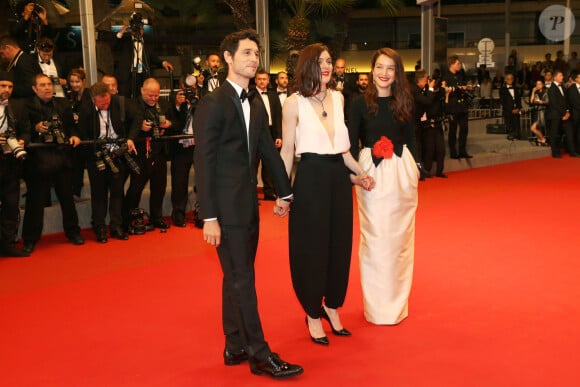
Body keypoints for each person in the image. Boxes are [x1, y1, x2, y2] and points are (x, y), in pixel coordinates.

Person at [193, 29, 303, 379]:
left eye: (256, 54)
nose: (253, 60)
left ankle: (235, 343)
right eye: (246, 53)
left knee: (236, 276)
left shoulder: (256, 101)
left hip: (248, 206)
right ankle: (259, 353)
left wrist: (285, 192)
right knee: (243, 279)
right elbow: (204, 161)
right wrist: (209, 215)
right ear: (228, 58)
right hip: (225, 210)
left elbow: (268, 150)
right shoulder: (212, 103)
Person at [280, 43, 374, 345]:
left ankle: (332, 306)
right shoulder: (293, 103)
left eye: (329, 61)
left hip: (337, 177)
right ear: (307, 64)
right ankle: (311, 311)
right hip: (310, 177)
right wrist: (283, 193)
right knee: (312, 247)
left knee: (339, 244)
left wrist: (360, 173)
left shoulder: (338, 97)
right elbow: (288, 152)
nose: (326, 66)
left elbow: (343, 149)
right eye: (320, 61)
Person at [348, 47, 419, 325]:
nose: (384, 73)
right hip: (371, 176)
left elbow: (412, 139)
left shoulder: (404, 100)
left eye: (390, 68)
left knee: (400, 240)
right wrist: (354, 174)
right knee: (376, 240)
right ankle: (377, 307)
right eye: (380, 67)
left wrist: (415, 170)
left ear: (397, 72)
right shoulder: (357, 103)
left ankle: (398, 304)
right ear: (372, 69)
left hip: (401, 173)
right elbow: (351, 142)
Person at [21, 73, 84, 255]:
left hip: (61, 158)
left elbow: (72, 127)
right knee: (35, 203)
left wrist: (74, 136)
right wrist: (36, 129)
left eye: (49, 84)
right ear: (34, 88)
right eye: (43, 85)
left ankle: (73, 232)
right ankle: (30, 240)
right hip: (38, 162)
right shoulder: (26, 106)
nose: (48, 88)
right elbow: (23, 131)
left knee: (67, 200)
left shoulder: (63, 104)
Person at [78, 81, 136, 243]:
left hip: (117, 154)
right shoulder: (86, 109)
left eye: (107, 102)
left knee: (118, 193)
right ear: (93, 100)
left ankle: (116, 226)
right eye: (101, 104)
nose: (105, 105)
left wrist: (130, 138)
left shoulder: (118, 102)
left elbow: (137, 117)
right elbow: (82, 133)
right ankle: (100, 227)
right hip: (96, 157)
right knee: (99, 194)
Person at [124, 77, 172, 231]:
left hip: (159, 153)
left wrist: (168, 124)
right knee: (135, 189)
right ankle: (127, 219)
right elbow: (123, 127)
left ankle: (156, 218)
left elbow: (176, 123)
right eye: (150, 95)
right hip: (140, 154)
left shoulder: (163, 104)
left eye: (156, 95)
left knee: (159, 188)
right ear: (142, 91)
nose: (153, 98)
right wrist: (139, 127)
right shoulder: (132, 105)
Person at [0, 70, 30, 258]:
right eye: (3, 86)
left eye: (10, 87)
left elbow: (26, 130)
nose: (7, 90)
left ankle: (8, 243)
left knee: (11, 205)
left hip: (11, 164)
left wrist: (22, 141)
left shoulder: (17, 107)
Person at [167, 78, 198, 227]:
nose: (189, 91)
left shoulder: (203, 100)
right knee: (179, 182)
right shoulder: (174, 103)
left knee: (203, 182)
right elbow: (174, 124)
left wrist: (196, 104)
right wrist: (179, 106)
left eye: (192, 88)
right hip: (181, 148)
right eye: (186, 88)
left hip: (199, 147)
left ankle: (202, 212)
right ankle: (178, 213)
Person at [113, 23, 173, 98]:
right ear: (131, 30)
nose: (138, 31)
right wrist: (122, 32)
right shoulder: (125, 40)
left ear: (143, 30)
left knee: (141, 98)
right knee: (125, 99)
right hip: (127, 76)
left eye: (140, 29)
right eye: (135, 29)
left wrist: (163, 63)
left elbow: (153, 57)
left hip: (142, 76)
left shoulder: (147, 42)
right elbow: (115, 46)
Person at [254, 69, 282, 200]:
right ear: (255, 80)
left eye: (264, 79)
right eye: (259, 79)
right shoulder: (251, 95)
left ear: (268, 80)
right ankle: (251, 193)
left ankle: (269, 191)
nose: (262, 81)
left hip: (270, 132)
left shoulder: (273, 95)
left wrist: (279, 136)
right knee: (253, 163)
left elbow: (277, 117)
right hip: (256, 133)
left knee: (269, 163)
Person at [68, 67, 91, 200]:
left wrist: (80, 117)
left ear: (83, 81)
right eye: (72, 81)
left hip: (88, 135)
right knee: (76, 165)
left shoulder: (90, 94)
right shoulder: (71, 95)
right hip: (77, 135)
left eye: (77, 81)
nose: (74, 84)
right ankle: (76, 191)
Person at [443, 55, 473, 159]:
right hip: (453, 106)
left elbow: (462, 85)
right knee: (453, 129)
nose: (459, 65)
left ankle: (462, 150)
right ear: (451, 65)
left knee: (464, 128)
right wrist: (457, 88)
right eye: (458, 64)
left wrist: (465, 88)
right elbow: (445, 90)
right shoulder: (446, 77)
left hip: (462, 105)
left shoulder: (460, 75)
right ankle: (453, 151)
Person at [548, 70, 576, 158]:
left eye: (562, 75)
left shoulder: (563, 87)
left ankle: (572, 152)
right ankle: (555, 152)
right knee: (555, 134)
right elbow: (554, 103)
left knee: (570, 133)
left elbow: (566, 101)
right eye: (560, 76)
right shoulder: (551, 89)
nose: (562, 77)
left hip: (565, 114)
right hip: (556, 115)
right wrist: (564, 113)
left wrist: (567, 112)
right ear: (555, 77)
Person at [499, 73, 522, 140]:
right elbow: (503, 102)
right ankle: (511, 135)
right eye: (508, 79)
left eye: (511, 78)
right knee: (509, 123)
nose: (510, 80)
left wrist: (518, 108)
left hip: (516, 109)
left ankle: (517, 135)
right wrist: (511, 109)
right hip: (508, 110)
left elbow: (518, 99)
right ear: (505, 80)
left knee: (517, 122)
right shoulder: (502, 89)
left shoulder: (516, 88)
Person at [529, 79, 549, 145]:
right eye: (537, 84)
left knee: (534, 127)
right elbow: (531, 102)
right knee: (534, 128)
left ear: (543, 85)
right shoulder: (536, 93)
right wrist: (533, 91)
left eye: (540, 84)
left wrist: (542, 102)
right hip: (537, 113)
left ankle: (542, 139)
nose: (538, 85)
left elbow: (548, 102)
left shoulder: (546, 91)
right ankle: (542, 139)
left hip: (544, 112)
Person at [565, 70, 580, 153]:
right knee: (574, 133)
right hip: (574, 115)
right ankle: (572, 150)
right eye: (579, 78)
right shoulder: (571, 89)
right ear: (576, 79)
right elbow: (571, 102)